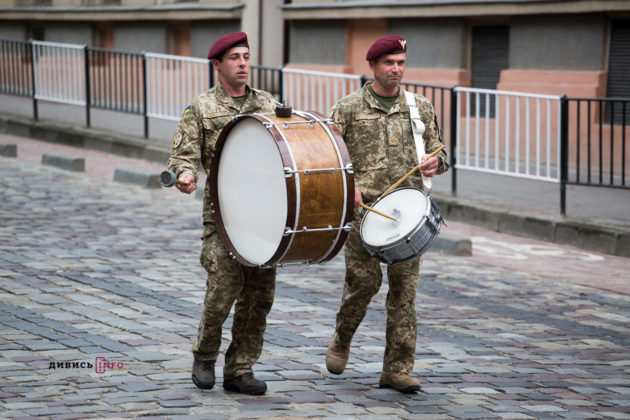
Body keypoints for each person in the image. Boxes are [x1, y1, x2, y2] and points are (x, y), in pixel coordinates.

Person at [325, 34, 449, 393]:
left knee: (404, 294)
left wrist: (434, 163)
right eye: (389, 64)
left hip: (407, 215)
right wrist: (348, 185)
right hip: (363, 214)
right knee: (363, 285)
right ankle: (343, 337)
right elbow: (328, 158)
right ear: (373, 67)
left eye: (401, 63)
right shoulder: (347, 108)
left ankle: (396, 369)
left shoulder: (419, 107)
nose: (396, 70)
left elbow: (442, 155)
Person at [166, 32, 277, 395]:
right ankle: (204, 356)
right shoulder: (200, 107)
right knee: (222, 290)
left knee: (259, 296)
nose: (243, 63)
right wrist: (185, 173)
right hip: (223, 217)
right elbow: (184, 154)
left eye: (246, 56)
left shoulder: (268, 104)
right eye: (234, 58)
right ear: (217, 64)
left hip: (265, 216)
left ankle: (240, 369)